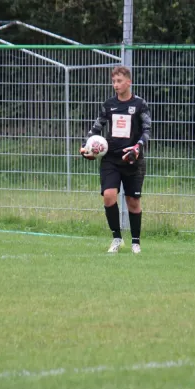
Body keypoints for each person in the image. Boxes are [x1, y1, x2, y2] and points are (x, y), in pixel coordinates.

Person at [80, 66, 151, 254]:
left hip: (132, 159)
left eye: (119, 81)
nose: (116, 85)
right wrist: (85, 147)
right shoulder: (108, 104)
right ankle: (117, 239)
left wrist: (137, 148)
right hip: (111, 158)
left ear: (129, 82)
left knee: (133, 201)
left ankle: (136, 242)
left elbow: (146, 131)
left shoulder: (140, 104)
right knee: (109, 196)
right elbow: (96, 128)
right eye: (113, 81)